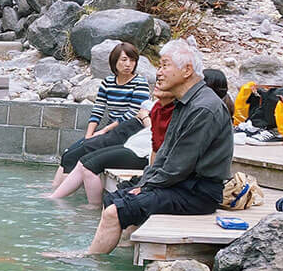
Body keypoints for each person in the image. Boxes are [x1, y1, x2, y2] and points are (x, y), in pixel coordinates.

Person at [47, 39, 233, 258]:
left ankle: (89, 259)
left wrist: (147, 187)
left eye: (165, 65)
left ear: (187, 70)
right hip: (183, 184)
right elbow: (165, 154)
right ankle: (120, 245)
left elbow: (179, 164)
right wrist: (146, 183)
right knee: (117, 196)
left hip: (197, 192)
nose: (159, 72)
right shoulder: (187, 103)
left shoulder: (203, 108)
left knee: (116, 210)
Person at [49, 41, 150, 190]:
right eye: (124, 60)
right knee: (68, 153)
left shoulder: (140, 83)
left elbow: (133, 113)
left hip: (128, 131)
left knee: (78, 154)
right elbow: (98, 110)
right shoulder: (108, 82)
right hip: (109, 131)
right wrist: (89, 135)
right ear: (114, 62)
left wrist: (103, 131)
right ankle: (54, 188)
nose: (129, 64)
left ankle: (59, 195)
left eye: (132, 60)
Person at [48, 89, 171, 206]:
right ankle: (55, 196)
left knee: (89, 167)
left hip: (142, 152)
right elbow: (98, 109)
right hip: (132, 144)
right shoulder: (159, 104)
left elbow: (156, 133)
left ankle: (93, 207)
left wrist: (144, 116)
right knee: (78, 159)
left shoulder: (173, 108)